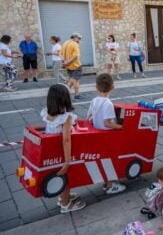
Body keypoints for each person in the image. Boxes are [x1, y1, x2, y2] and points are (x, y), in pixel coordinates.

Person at [41, 84, 86, 213]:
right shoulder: (65, 118)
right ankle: (66, 205)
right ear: (66, 99)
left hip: (52, 150)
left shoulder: (47, 113)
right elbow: (66, 139)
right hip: (62, 151)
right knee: (66, 175)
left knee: (60, 175)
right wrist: (67, 161)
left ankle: (62, 197)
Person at [87, 73, 127, 194]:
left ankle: (106, 183)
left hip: (97, 134)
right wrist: (121, 127)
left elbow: (89, 117)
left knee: (103, 159)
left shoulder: (94, 100)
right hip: (107, 136)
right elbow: (107, 123)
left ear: (96, 87)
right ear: (112, 87)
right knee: (110, 159)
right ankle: (111, 185)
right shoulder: (108, 103)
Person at [61, 33, 83, 100]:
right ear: (75, 37)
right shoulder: (75, 44)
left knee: (74, 80)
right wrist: (66, 62)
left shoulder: (65, 43)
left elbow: (61, 54)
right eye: (79, 38)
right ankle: (64, 94)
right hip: (76, 65)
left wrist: (64, 62)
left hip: (68, 66)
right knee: (73, 80)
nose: (80, 40)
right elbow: (75, 56)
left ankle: (77, 94)